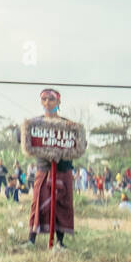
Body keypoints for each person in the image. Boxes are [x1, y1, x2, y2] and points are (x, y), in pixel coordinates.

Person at [22, 88, 86, 248]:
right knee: (38, 202)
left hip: (63, 169)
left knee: (61, 204)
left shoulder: (67, 125)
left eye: (51, 99)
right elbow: (23, 139)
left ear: (58, 102)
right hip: (43, 168)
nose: (47, 103)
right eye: (44, 99)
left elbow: (80, 144)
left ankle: (60, 242)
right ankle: (31, 240)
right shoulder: (35, 124)